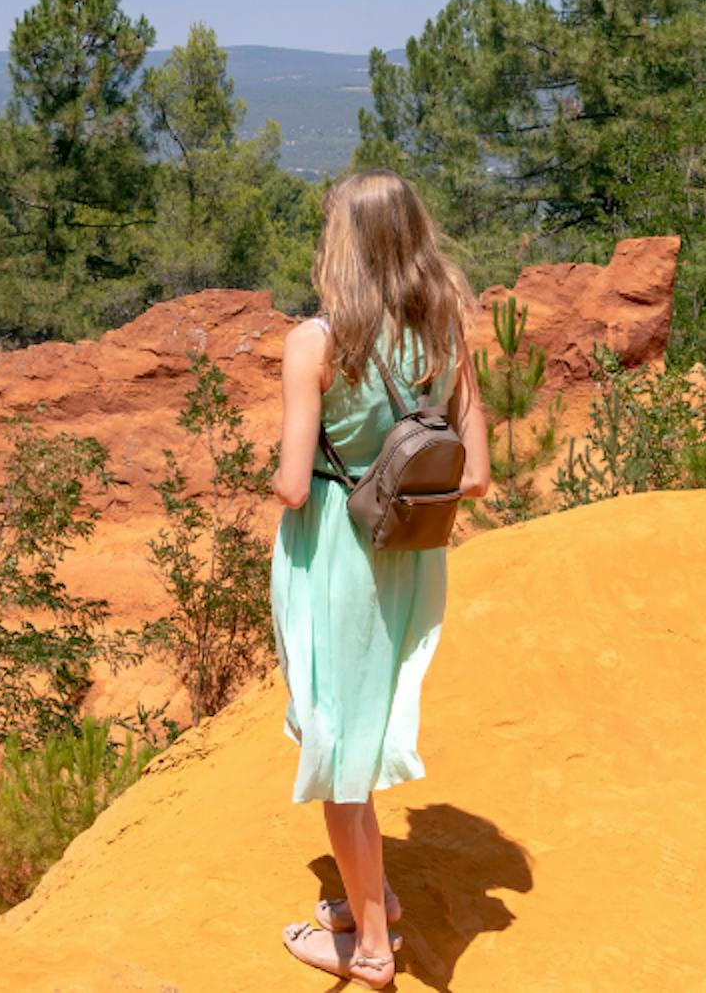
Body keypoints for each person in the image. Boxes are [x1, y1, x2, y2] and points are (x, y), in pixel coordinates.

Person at [270, 170, 491, 989]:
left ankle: (368, 948)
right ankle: (376, 896)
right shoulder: (447, 337)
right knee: (363, 723)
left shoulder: (316, 344)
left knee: (340, 751)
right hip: (411, 556)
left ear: (344, 244)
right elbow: (476, 476)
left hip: (337, 555)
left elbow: (295, 485)